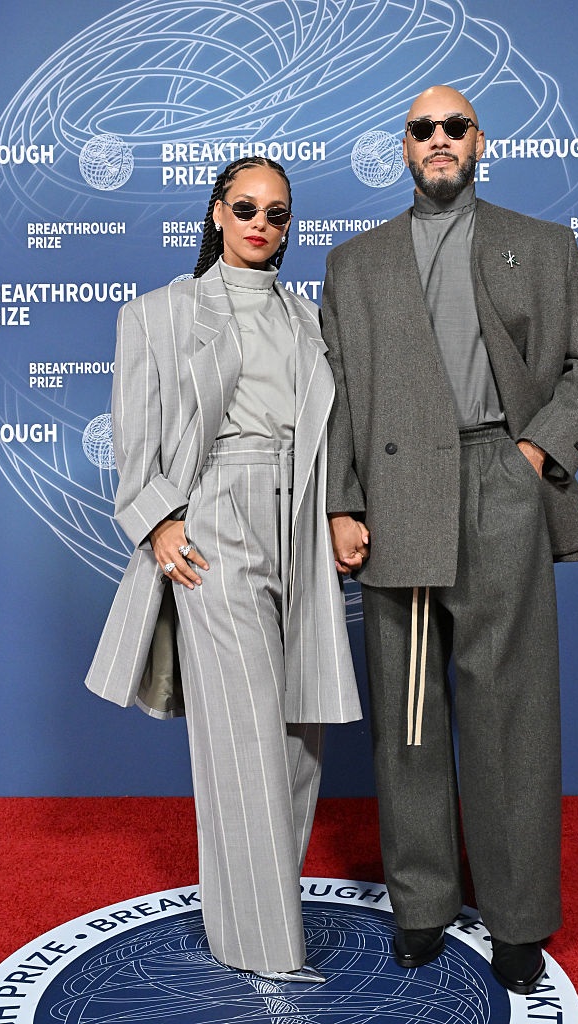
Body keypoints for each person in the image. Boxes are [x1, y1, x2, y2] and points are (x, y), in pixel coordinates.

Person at [321, 86, 578, 994]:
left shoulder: (544, 243)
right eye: (423, 129)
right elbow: (332, 397)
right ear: (403, 148)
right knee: (409, 717)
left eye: (455, 127)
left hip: (500, 481)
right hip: (397, 495)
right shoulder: (354, 264)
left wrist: (533, 455)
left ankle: (520, 917)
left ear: (478, 142)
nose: (439, 140)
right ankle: (421, 905)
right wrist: (342, 502)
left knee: (512, 714)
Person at [86, 156, 361, 983]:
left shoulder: (308, 319)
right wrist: (160, 520)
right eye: (245, 207)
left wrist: (341, 515)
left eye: (277, 214)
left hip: (300, 519)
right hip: (216, 519)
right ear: (214, 214)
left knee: (297, 736)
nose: (260, 224)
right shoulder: (159, 314)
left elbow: (330, 429)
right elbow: (135, 443)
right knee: (241, 734)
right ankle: (261, 943)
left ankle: (254, 905)